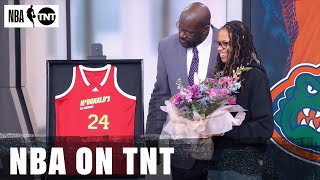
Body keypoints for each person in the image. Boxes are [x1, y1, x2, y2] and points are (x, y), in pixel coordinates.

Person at [145, 2, 218, 180]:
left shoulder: (226, 43)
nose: (181, 35)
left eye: (188, 32)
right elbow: (160, 95)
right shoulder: (166, 46)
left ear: (205, 29)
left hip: (220, 151)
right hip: (182, 153)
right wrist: (151, 142)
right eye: (180, 28)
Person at [208, 20, 274, 179]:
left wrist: (224, 131)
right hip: (216, 164)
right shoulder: (220, 76)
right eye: (218, 44)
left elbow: (264, 129)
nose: (220, 49)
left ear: (239, 44)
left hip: (244, 167)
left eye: (225, 44)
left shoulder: (255, 76)